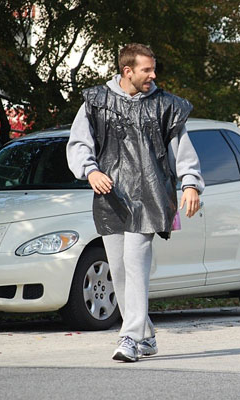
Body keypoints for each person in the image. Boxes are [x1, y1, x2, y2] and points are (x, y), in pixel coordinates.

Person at [66, 43, 204, 362]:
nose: (153, 75)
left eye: (153, 69)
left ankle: (128, 336)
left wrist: (191, 184)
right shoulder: (96, 101)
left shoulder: (166, 105)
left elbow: (182, 151)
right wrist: (91, 172)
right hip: (110, 196)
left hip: (150, 196)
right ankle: (145, 334)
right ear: (127, 71)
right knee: (119, 269)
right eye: (147, 69)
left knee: (135, 263)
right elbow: (78, 143)